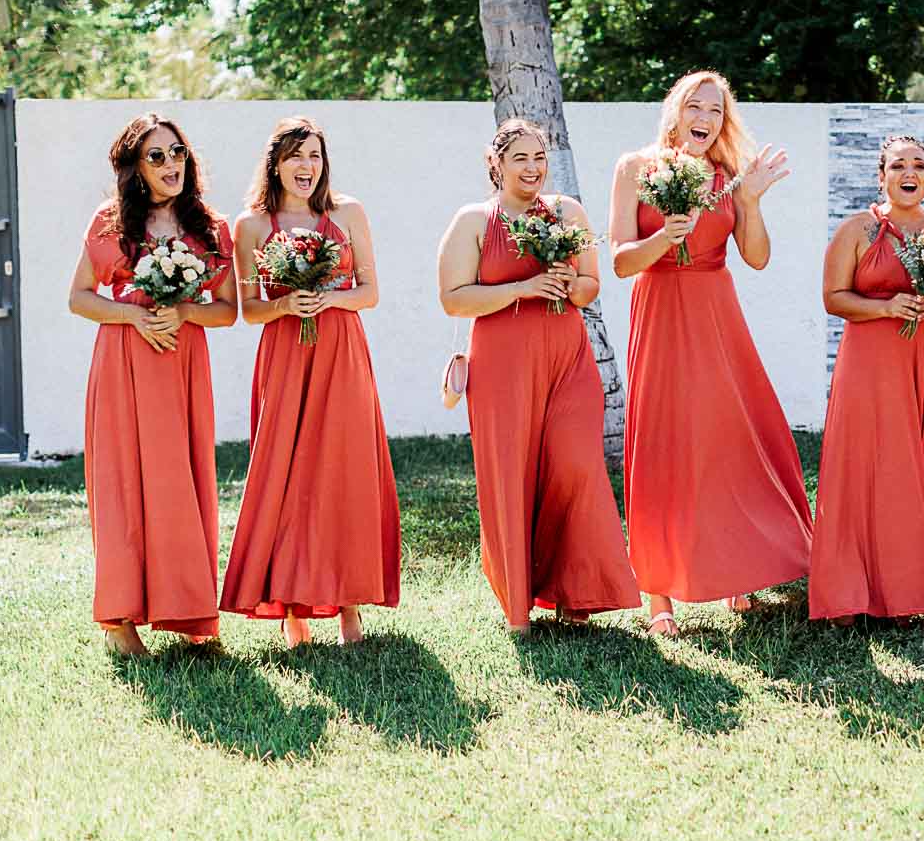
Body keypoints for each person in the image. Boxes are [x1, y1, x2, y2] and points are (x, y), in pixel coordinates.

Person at [609, 70, 812, 637]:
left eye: (716, 111)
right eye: (695, 107)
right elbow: (623, 261)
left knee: (726, 439)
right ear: (676, 112)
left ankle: (735, 571)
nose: (705, 118)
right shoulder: (634, 168)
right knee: (663, 442)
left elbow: (757, 257)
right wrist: (665, 236)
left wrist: (749, 199)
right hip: (661, 312)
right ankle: (659, 596)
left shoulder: (727, 179)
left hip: (717, 314)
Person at [436, 119, 641, 634]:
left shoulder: (567, 212)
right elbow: (453, 297)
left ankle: (579, 591)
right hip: (502, 362)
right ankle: (518, 609)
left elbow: (592, 285)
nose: (532, 168)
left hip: (567, 356)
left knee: (576, 465)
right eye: (521, 158)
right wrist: (524, 287)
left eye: (539, 157)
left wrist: (572, 282)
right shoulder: (475, 220)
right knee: (510, 475)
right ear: (497, 164)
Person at [220, 117, 401, 647]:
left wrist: (329, 298)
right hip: (285, 354)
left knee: (346, 471)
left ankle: (349, 608)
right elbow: (249, 310)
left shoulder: (347, 213)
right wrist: (284, 303)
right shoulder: (252, 226)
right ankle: (292, 610)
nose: (307, 166)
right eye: (296, 156)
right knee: (289, 474)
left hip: (342, 350)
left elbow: (369, 291)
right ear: (275, 164)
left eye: (315, 156)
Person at [67, 114, 237, 655]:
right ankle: (121, 622)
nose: (171, 165)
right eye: (157, 156)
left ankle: (189, 613)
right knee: (125, 482)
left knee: (181, 483)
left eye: (178, 153)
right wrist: (135, 317)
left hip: (182, 366)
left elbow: (228, 310)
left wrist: (185, 311)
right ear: (136, 168)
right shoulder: (111, 221)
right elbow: (80, 297)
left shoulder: (210, 226)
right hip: (124, 364)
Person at [809, 135, 924, 624]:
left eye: (918, 164)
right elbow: (834, 298)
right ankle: (846, 591)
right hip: (870, 362)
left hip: (923, 358)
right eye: (898, 164)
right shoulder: (857, 229)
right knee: (860, 465)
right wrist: (885, 307)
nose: (909, 171)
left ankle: (903, 592)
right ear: (881, 176)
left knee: (912, 467)